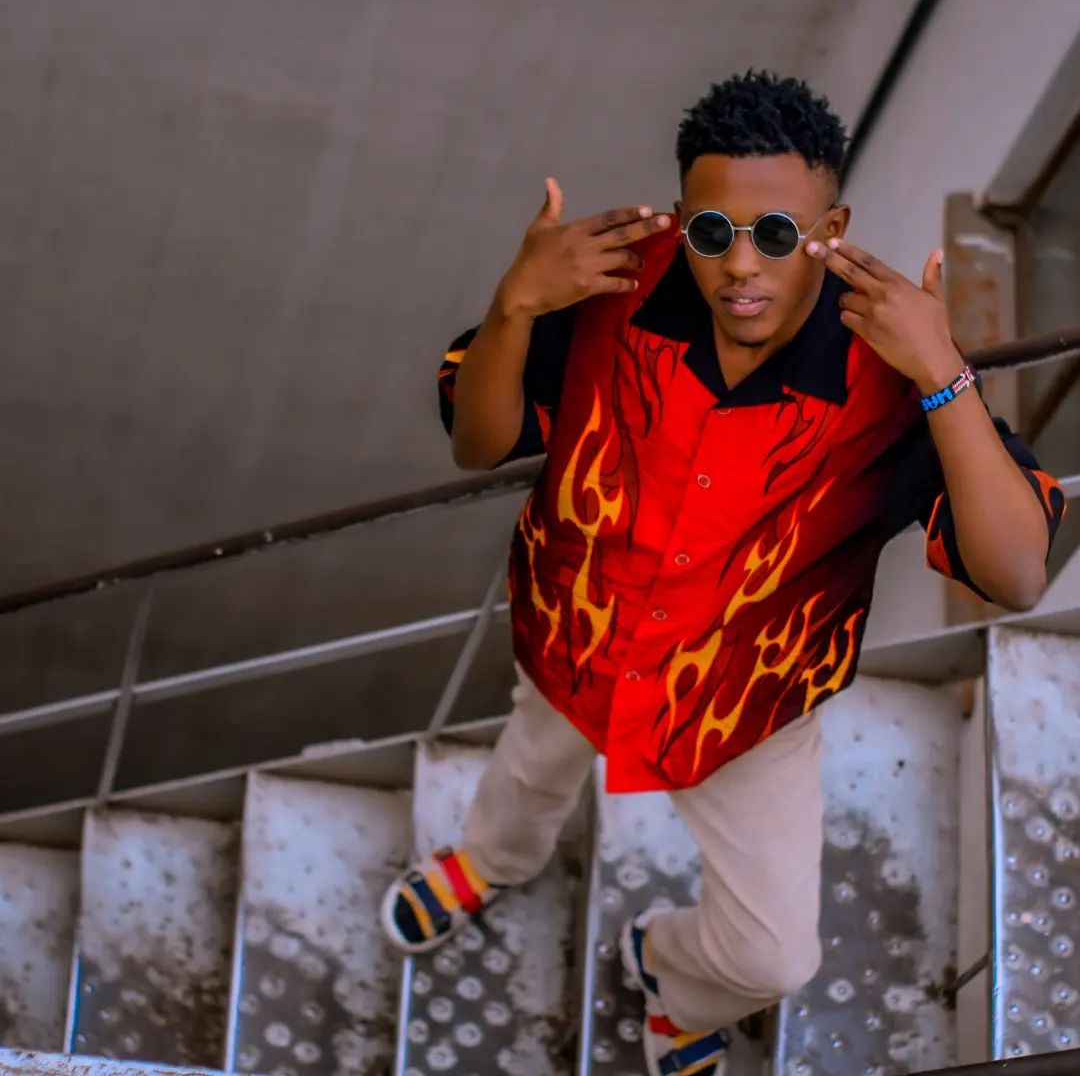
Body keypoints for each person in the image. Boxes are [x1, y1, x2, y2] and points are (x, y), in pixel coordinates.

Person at [380, 68, 1066, 1075]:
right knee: (525, 775)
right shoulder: (615, 285)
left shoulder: (888, 364)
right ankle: (493, 861)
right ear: (684, 217)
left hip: (745, 700)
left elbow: (1017, 577)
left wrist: (942, 374)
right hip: (581, 637)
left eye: (777, 234)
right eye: (713, 232)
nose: (741, 265)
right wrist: (514, 304)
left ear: (831, 228)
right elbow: (477, 444)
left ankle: (670, 976)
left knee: (774, 956)